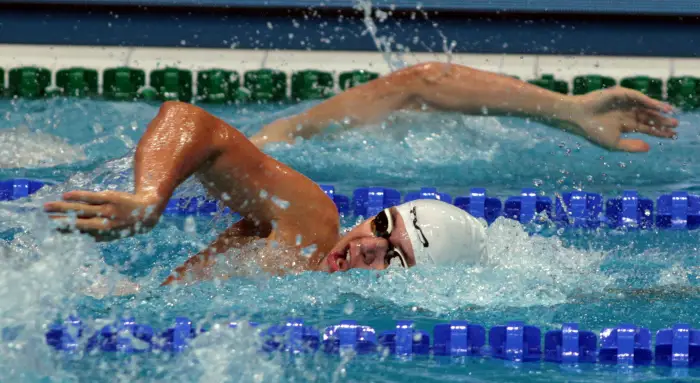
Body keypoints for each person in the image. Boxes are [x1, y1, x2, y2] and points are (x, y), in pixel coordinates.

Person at [43, 62, 679, 286]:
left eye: (393, 257)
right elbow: (191, 119)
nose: (368, 241)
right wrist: (151, 194)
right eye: (382, 223)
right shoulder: (311, 221)